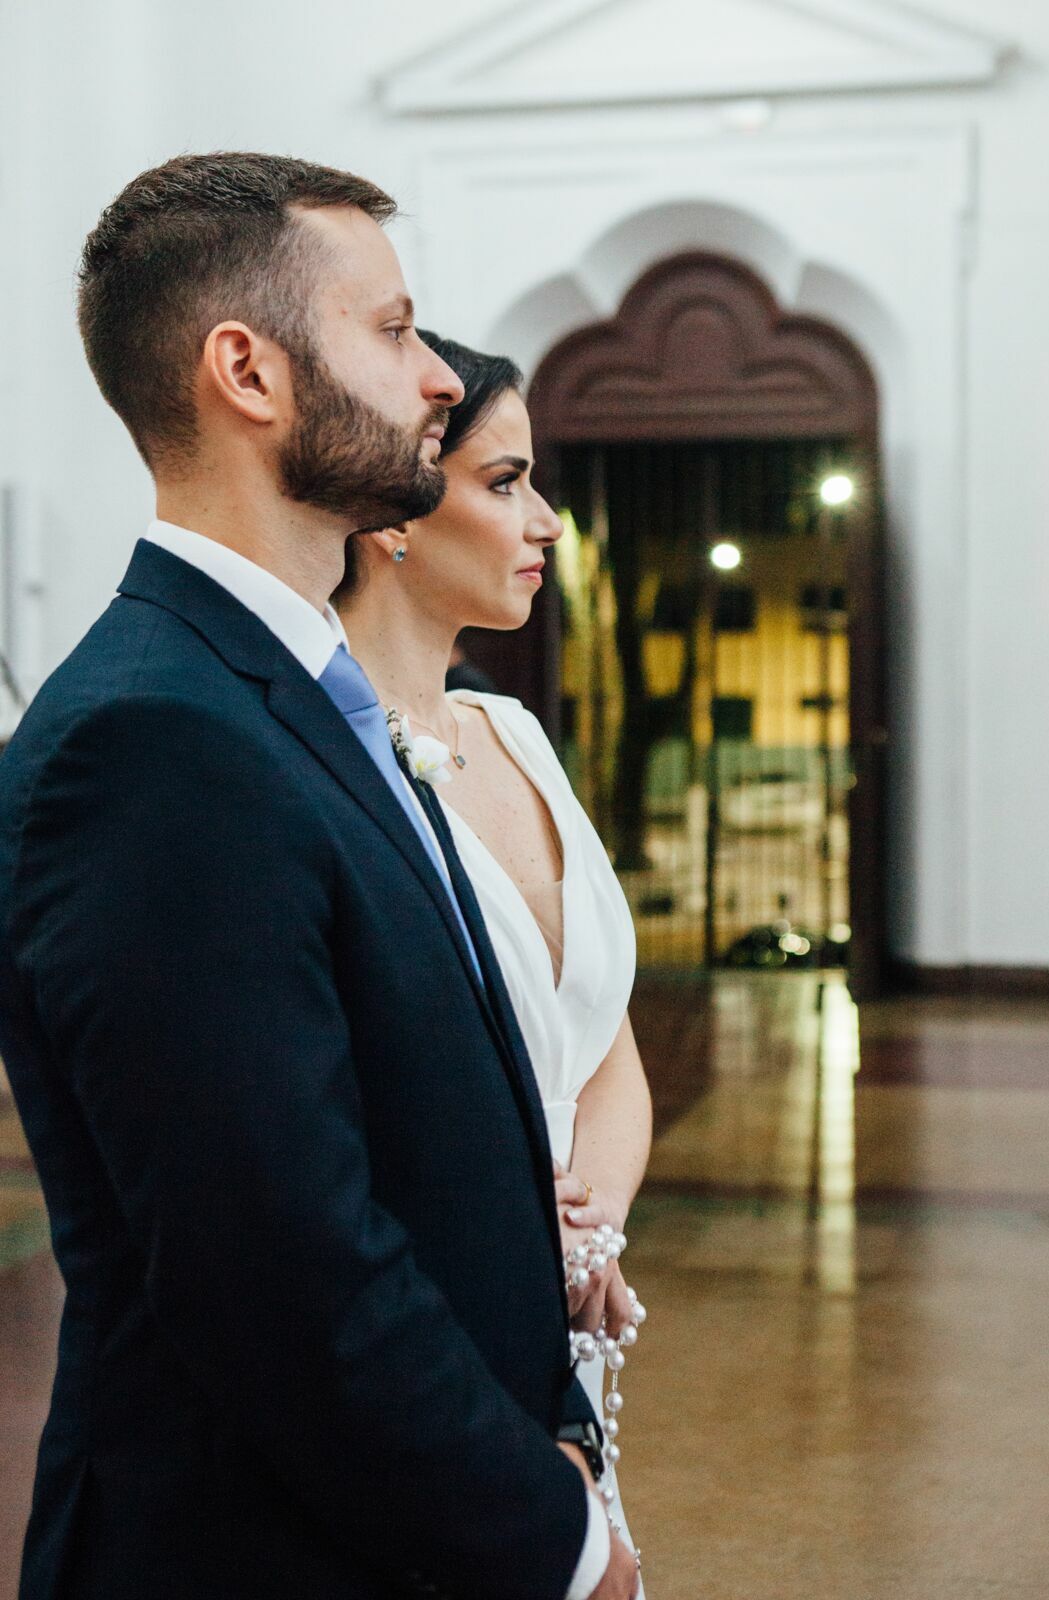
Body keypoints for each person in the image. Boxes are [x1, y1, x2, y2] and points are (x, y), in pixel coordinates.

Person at [0, 153, 639, 1600]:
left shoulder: (291, 694)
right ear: (249, 370)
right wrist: (554, 1534)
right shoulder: (154, 739)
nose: (431, 378)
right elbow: (278, 1280)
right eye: (392, 330)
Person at [334, 332, 653, 1585]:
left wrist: (592, 1228)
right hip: (433, 1323)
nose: (552, 524)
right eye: (506, 481)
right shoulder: (325, 761)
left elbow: (603, 1046)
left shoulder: (511, 731)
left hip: (563, 1326)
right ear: (396, 514)